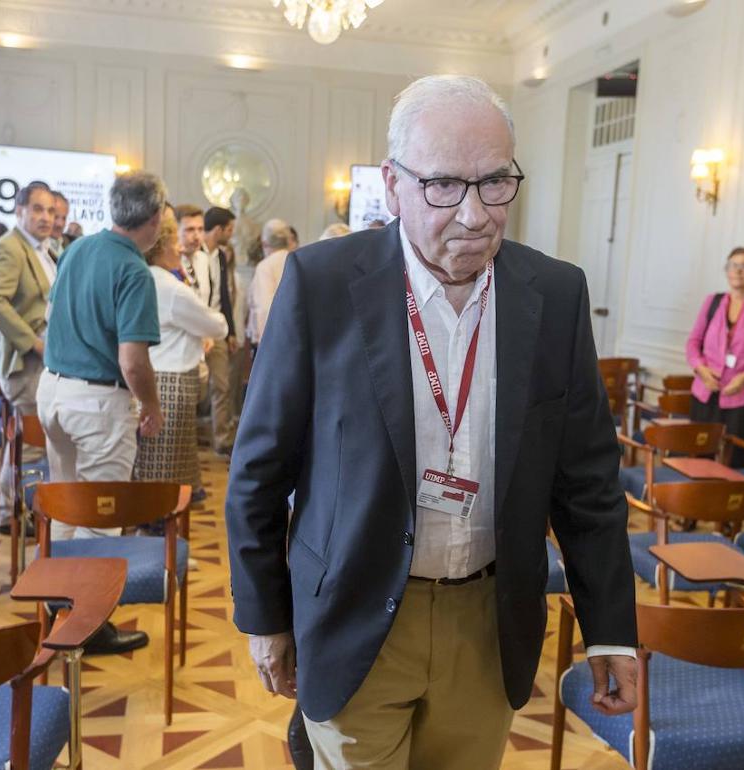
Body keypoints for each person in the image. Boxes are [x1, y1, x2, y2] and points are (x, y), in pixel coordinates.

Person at [226, 74, 637, 770]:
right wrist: (264, 614)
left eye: (495, 183)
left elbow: (587, 484)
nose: (475, 214)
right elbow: (260, 471)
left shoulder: (556, 295)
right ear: (393, 185)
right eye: (444, 185)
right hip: (355, 610)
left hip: (490, 621)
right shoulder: (321, 285)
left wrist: (610, 632)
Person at [37, 170, 167, 654]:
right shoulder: (134, 271)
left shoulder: (78, 249)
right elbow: (133, 360)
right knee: (99, 516)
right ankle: (89, 626)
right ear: (154, 219)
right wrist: (151, 405)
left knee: (67, 502)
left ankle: (58, 600)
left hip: (52, 391)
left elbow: (52, 318)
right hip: (95, 403)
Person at [133, 209, 228, 500]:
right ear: (161, 247)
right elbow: (217, 324)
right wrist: (213, 323)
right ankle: (160, 515)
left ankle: (163, 507)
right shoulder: (170, 288)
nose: (181, 248)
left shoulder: (144, 277)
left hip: (156, 373)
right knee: (166, 457)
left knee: (162, 453)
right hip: (171, 379)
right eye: (175, 241)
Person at [0, 180, 56, 534]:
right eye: (37, 209)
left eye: (51, 211)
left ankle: (15, 510)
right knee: (30, 443)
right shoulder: (10, 247)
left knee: (28, 439)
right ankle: (16, 514)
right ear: (19, 210)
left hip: (45, 362)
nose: (45, 217)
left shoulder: (43, 248)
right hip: (25, 363)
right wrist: (33, 343)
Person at [685, 246, 744, 467]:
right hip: (706, 390)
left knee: (737, 459)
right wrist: (701, 368)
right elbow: (693, 343)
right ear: (727, 270)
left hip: (743, 395)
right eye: (733, 265)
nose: (738, 271)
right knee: (699, 456)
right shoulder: (713, 301)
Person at [201, 206, 240, 457]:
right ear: (219, 229)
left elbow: (224, 294)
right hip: (195, 329)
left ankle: (223, 438)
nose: (231, 234)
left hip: (217, 328)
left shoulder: (221, 256)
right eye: (229, 230)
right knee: (197, 387)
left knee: (222, 385)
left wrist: (231, 332)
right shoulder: (195, 254)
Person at [245, 219, 293, 345]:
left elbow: (264, 306)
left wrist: (265, 343)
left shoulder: (265, 266)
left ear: (265, 243)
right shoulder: (295, 260)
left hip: (272, 338)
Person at [50, 191, 70, 259]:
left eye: (64, 218)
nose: (60, 224)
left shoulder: (71, 245)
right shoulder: (34, 247)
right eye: (55, 217)